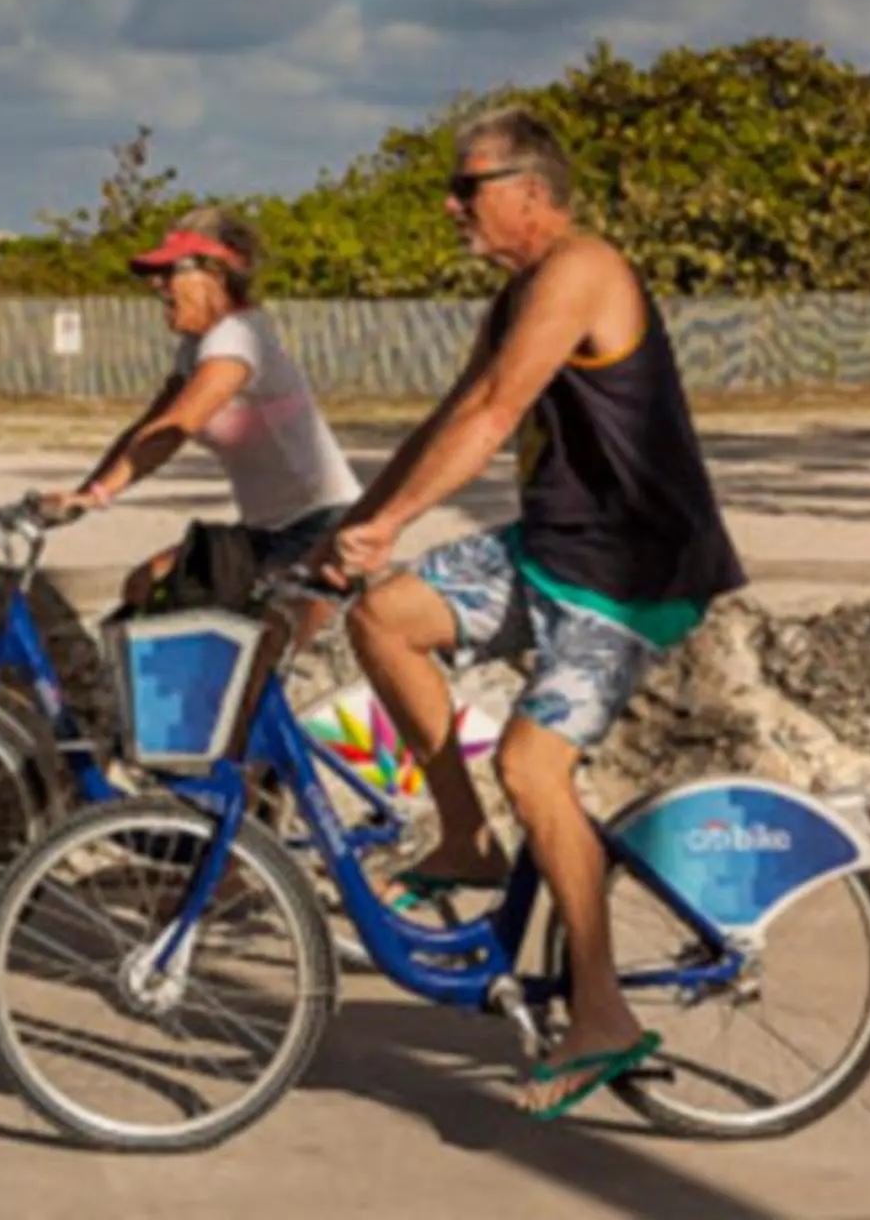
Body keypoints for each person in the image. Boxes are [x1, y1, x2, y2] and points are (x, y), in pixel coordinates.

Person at [314, 105, 748, 1122]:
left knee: (532, 766)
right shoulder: (513, 298)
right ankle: (465, 836)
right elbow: (452, 415)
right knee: (385, 619)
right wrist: (360, 527)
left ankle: (601, 1017)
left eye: (469, 187)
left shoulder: (584, 269)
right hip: (554, 554)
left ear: (532, 194)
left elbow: (499, 414)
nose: (452, 204)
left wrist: (392, 519)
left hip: (631, 572)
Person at [45, 206, 364, 609]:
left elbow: (176, 428)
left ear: (215, 275)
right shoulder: (196, 347)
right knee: (145, 585)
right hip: (265, 532)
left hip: (321, 528)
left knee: (249, 648)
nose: (157, 284)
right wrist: (85, 494)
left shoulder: (238, 336)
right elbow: (148, 426)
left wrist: (98, 496)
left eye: (170, 272)